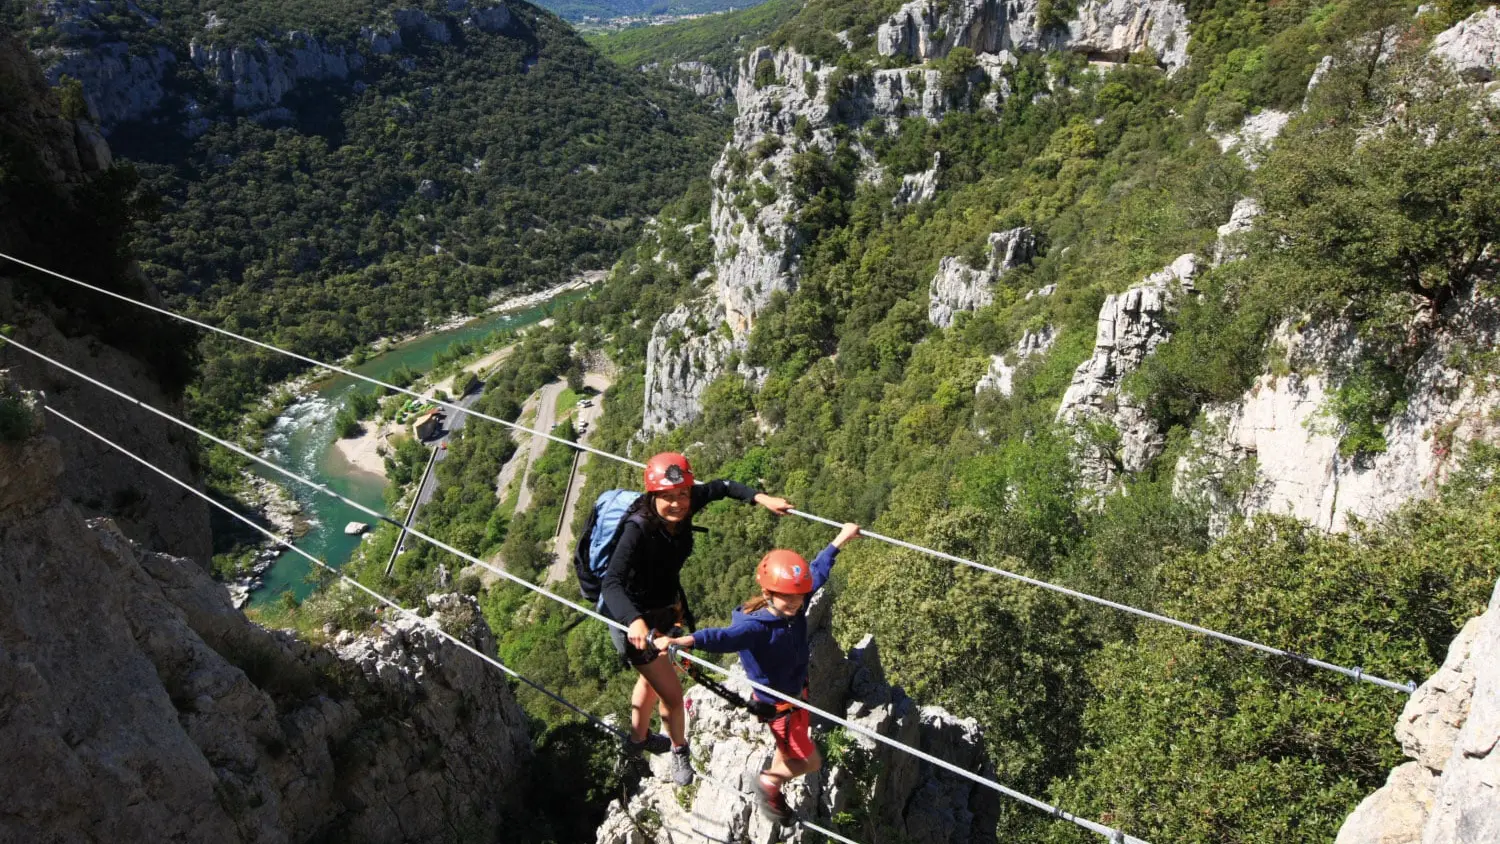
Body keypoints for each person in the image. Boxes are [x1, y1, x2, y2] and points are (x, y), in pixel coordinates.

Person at [601, 451, 792, 786]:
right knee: (672, 697)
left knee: (650, 679)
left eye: (683, 494)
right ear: (653, 495)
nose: (678, 504)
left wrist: (761, 498)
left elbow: (722, 486)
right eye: (668, 497)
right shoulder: (637, 529)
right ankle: (679, 750)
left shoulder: (688, 501)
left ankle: (636, 739)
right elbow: (611, 582)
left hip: (667, 611)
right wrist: (633, 620)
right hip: (636, 623)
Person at [655, 522, 861, 820]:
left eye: (800, 596)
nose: (797, 603)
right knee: (811, 762)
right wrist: (683, 640)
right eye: (789, 598)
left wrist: (842, 538)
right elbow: (721, 637)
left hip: (796, 695)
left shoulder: (794, 600)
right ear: (768, 593)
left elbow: (818, 570)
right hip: (779, 706)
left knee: (788, 751)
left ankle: (773, 784)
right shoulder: (755, 627)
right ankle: (769, 783)